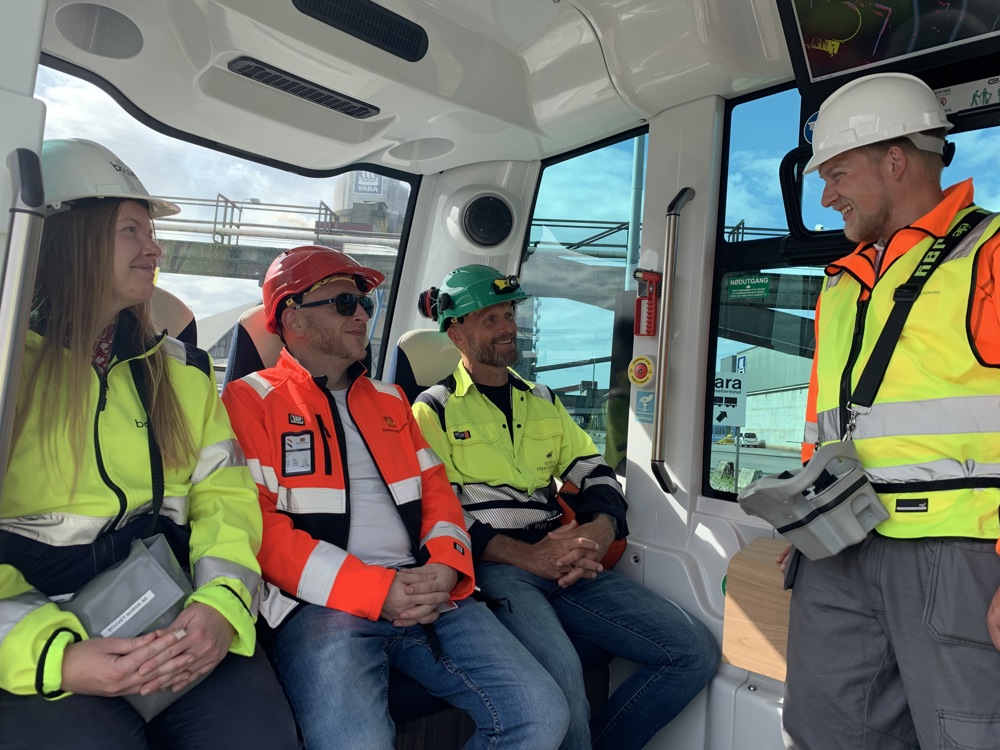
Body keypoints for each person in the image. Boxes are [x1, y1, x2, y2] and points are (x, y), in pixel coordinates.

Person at [0, 139, 298, 749]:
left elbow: (226, 501)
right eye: (131, 230)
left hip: (169, 601)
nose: (155, 248)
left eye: (151, 230)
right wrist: (57, 657)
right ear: (66, 238)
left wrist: (219, 605)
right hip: (35, 622)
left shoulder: (181, 371)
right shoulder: (7, 369)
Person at [220, 245, 569, 750]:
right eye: (345, 304)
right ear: (292, 318)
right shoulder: (249, 400)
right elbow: (258, 528)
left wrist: (446, 567)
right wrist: (374, 590)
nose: (362, 313)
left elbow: (439, 498)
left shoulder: (391, 401)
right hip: (319, 605)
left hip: (429, 588)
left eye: (367, 303)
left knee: (540, 714)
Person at [412, 264, 720, 750]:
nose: (508, 326)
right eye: (490, 318)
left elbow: (595, 473)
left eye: (509, 312)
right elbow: (439, 513)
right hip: (499, 567)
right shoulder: (433, 409)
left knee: (692, 651)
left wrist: (599, 532)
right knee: (565, 693)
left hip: (567, 557)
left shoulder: (543, 399)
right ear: (457, 331)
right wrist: (524, 556)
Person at [783, 72, 1000, 748]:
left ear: (896, 159)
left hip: (957, 556)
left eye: (838, 173)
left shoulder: (989, 256)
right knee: (825, 730)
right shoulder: (842, 285)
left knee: (966, 734)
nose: (827, 195)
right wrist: (802, 516)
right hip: (838, 545)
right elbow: (824, 423)